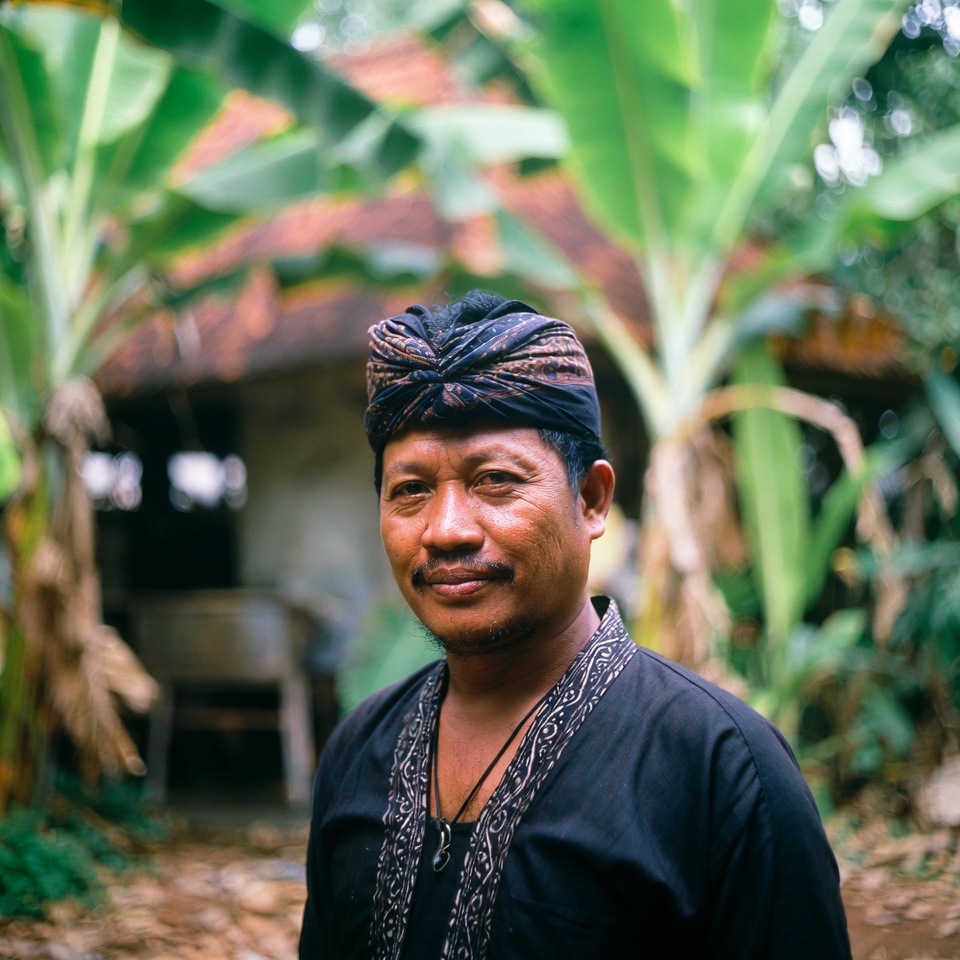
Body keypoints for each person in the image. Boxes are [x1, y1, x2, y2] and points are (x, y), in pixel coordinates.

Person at [299, 291, 852, 960]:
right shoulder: (358, 752)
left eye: (494, 480)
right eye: (411, 490)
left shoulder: (723, 771)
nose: (445, 530)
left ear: (591, 500)